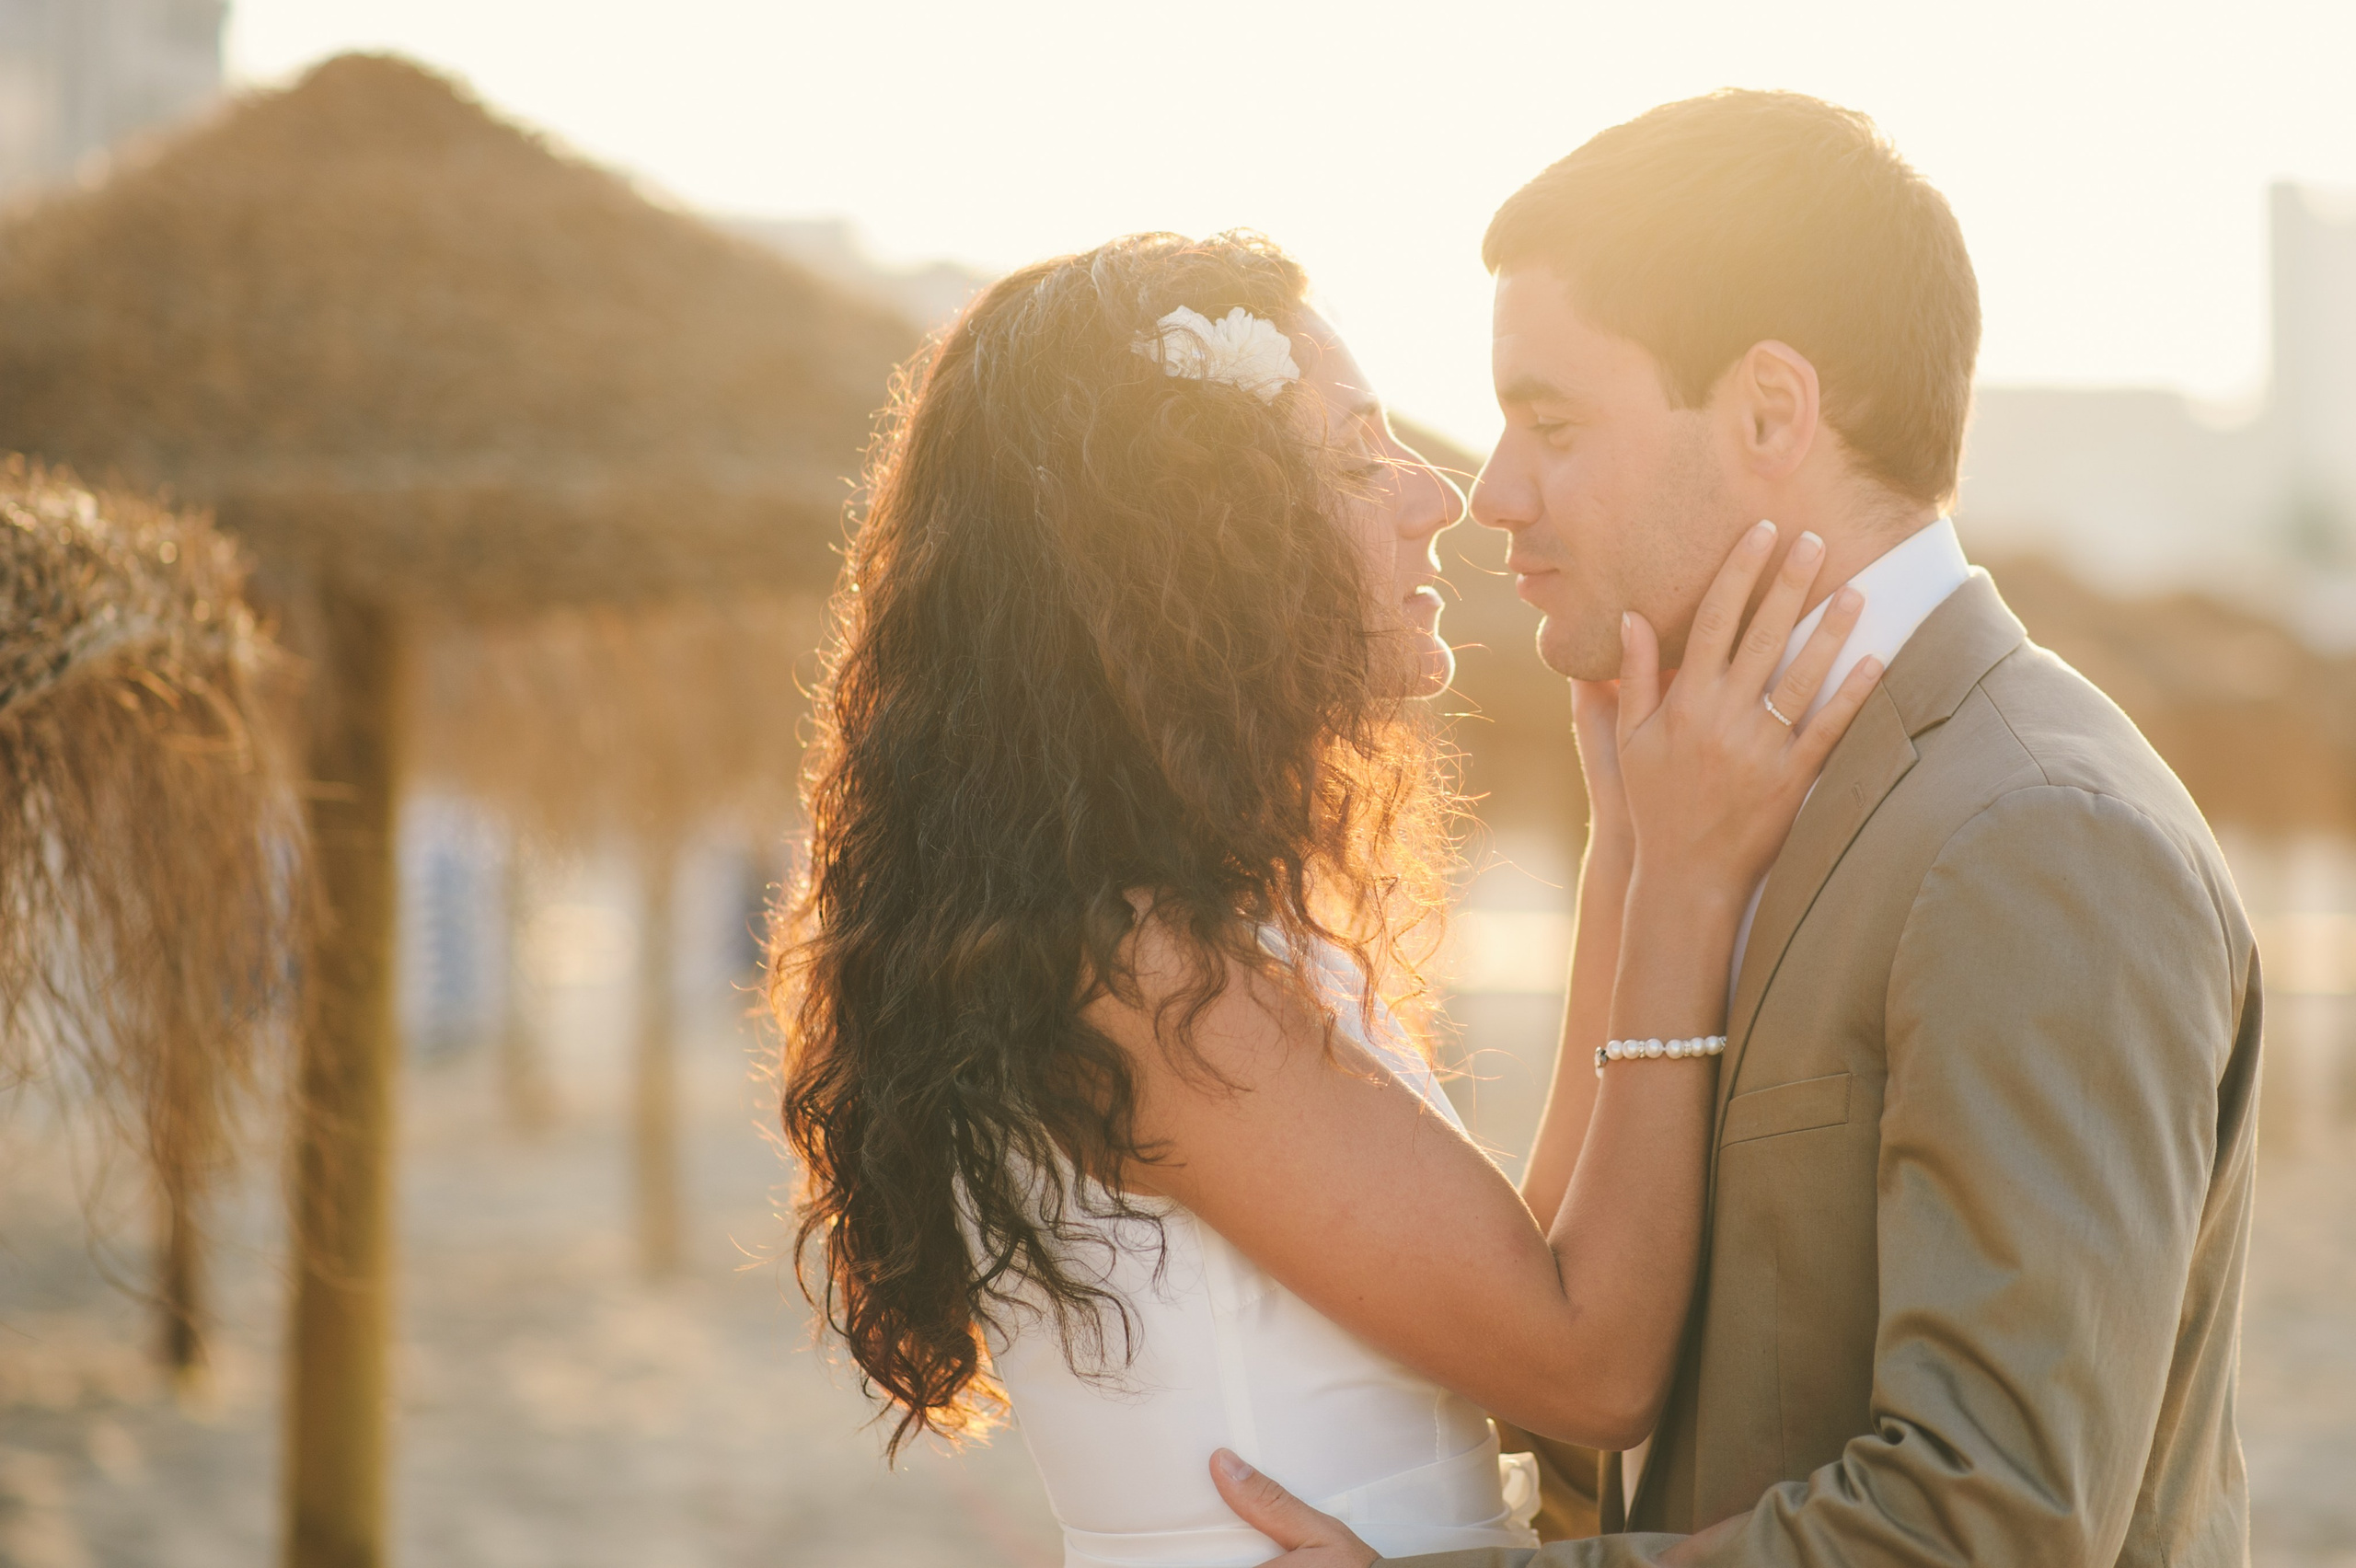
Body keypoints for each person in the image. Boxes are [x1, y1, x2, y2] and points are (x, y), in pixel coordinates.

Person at [1207, 90, 2261, 1568]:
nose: (1492, 494)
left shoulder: (2037, 836)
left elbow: (1993, 1524)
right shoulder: (1712, 797)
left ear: (1773, 411)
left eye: (1551, 421)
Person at [768, 227, 1879, 1565]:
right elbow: (1589, 1373)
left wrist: (1630, 854)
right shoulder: (1152, 979)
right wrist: (1691, 893)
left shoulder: (1170, 938)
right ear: (1197, 549)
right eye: (1359, 457)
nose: (1437, 496)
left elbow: (1517, 1297)